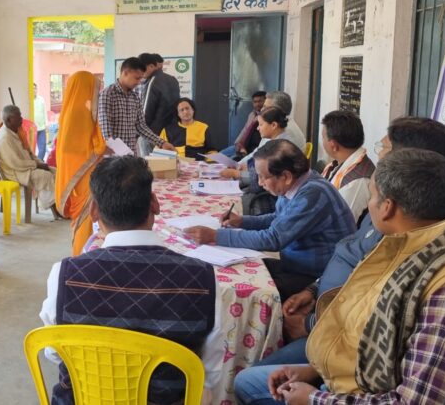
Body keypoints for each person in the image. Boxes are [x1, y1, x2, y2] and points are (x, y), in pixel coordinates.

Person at [235, 149, 445, 405]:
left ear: (387, 208)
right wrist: (316, 371)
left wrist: (315, 398)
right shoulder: (406, 240)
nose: (369, 204)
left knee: (248, 385)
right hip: (344, 374)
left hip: (357, 394)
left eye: (372, 196)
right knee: (245, 381)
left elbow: (418, 401)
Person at [40, 156, 216, 405]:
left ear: (93, 211)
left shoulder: (64, 274)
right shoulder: (202, 279)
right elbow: (210, 369)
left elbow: (55, 352)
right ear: (154, 203)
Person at [185, 140, 356, 300]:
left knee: (241, 291)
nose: (260, 183)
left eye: (263, 177)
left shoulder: (312, 194)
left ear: (286, 176)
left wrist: (216, 236)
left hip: (316, 277)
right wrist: (242, 221)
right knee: (231, 270)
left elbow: (272, 239)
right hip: (296, 264)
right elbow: (279, 218)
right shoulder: (297, 184)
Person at [54, 71, 111, 256]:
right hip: (82, 174)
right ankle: (81, 257)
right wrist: (102, 147)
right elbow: (84, 147)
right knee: (85, 217)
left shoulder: (73, 110)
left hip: (77, 172)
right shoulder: (79, 112)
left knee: (84, 218)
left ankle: (81, 254)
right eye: (94, 88)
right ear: (84, 88)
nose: (97, 92)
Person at [98, 57, 176, 155]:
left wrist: (162, 143)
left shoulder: (135, 97)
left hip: (131, 154)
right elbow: (105, 130)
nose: (139, 82)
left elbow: (141, 126)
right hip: (114, 156)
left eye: (141, 78)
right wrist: (118, 153)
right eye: (137, 78)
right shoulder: (108, 94)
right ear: (125, 73)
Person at [0, 105, 61, 218]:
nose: (21, 119)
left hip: (25, 167)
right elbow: (16, 163)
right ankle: (56, 210)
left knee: (56, 172)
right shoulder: (4, 138)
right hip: (16, 172)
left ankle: (60, 204)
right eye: (18, 117)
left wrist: (40, 163)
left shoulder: (16, 132)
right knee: (45, 176)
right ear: (9, 120)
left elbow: (29, 153)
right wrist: (37, 165)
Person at [320, 110, 374, 224]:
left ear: (333, 145)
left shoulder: (358, 181)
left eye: (323, 137)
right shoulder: (339, 164)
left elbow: (341, 223)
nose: (322, 141)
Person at [138, 53, 180, 156]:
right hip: (171, 132)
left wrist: (140, 132)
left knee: (148, 164)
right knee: (168, 163)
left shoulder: (152, 81)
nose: (141, 73)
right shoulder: (173, 79)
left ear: (151, 66)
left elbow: (146, 112)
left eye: (142, 69)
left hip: (152, 134)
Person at [221, 91, 266, 158]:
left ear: (265, 102)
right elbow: (245, 130)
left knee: (231, 160)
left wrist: (244, 148)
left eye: (260, 101)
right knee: (218, 156)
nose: (257, 104)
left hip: (252, 150)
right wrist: (238, 143)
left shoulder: (266, 118)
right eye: (255, 102)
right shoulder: (252, 114)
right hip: (242, 146)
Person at [33, 84, 48, 160]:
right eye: (32, 88)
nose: (34, 90)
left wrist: (46, 124)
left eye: (35, 88)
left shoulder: (41, 99)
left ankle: (39, 161)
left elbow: (44, 112)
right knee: (31, 149)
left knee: (43, 147)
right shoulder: (28, 100)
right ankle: (35, 163)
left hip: (41, 127)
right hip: (32, 129)